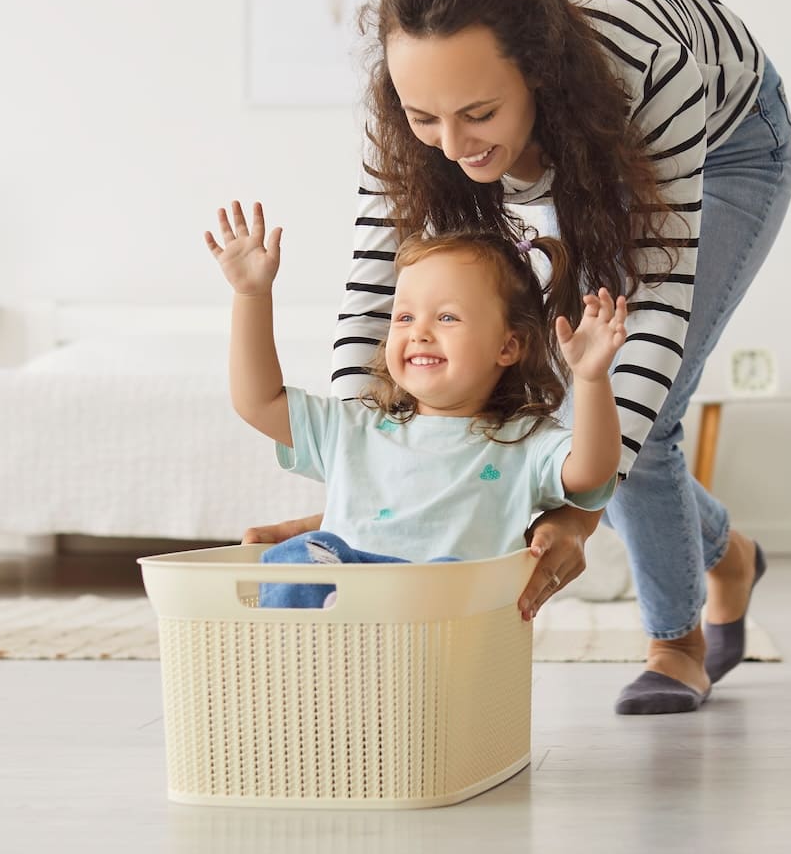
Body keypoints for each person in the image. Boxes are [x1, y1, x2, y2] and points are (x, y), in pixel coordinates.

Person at [245, 0, 791, 714]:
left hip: (725, 147)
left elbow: (653, 317)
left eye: (477, 112)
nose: (450, 145)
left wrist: (577, 517)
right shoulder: (419, 102)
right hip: (582, 127)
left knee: (623, 410)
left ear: (537, 73)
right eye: (425, 117)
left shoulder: (650, 67)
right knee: (569, 416)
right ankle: (726, 555)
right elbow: (377, 283)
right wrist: (367, 482)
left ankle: (677, 643)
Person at [204, 201, 625, 608]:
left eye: (447, 317)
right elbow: (258, 401)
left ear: (508, 346)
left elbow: (592, 470)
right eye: (404, 317)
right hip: (342, 628)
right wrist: (251, 295)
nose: (419, 332)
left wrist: (590, 379)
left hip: (442, 628)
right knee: (298, 556)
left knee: (450, 576)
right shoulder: (352, 427)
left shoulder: (523, 442)